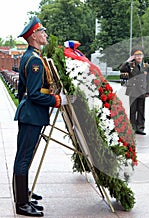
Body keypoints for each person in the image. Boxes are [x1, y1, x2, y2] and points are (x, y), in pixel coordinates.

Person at [13, 16, 66, 217]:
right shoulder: (34, 60)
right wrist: (56, 101)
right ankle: (21, 204)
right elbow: (34, 94)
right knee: (24, 158)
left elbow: (22, 90)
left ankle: (23, 195)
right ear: (33, 36)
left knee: (25, 156)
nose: (45, 34)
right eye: (42, 31)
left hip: (30, 114)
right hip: (32, 115)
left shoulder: (32, 56)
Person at [119, 47, 149, 135]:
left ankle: (140, 128)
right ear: (134, 56)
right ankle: (133, 128)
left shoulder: (146, 66)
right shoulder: (130, 65)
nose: (139, 57)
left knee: (141, 110)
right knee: (133, 110)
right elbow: (121, 68)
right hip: (133, 90)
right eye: (137, 55)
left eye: (140, 55)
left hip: (142, 90)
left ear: (143, 56)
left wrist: (148, 90)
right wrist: (128, 60)